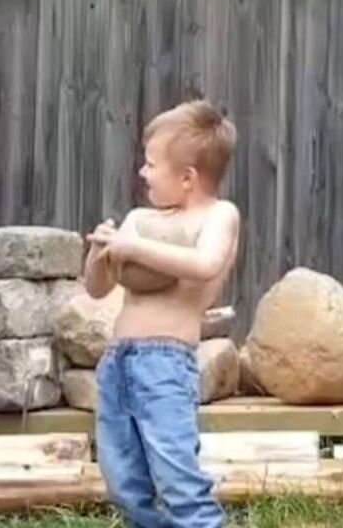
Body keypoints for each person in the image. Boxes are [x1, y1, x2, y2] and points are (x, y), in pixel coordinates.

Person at [82, 99, 241, 528]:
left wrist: (134, 248)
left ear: (188, 177)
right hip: (118, 364)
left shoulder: (218, 216)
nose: (142, 172)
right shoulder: (140, 218)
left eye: (151, 164)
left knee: (177, 478)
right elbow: (96, 289)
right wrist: (102, 252)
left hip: (165, 366)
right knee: (124, 481)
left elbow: (205, 264)